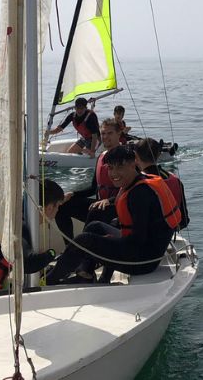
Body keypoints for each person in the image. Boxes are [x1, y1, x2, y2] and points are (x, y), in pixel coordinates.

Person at [46, 145, 182, 285]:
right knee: (95, 226)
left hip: (143, 262)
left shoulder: (140, 194)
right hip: (142, 250)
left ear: (133, 163)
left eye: (120, 167)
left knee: (84, 240)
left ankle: (47, 281)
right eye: (110, 168)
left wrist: (104, 244)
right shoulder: (137, 181)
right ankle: (86, 274)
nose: (114, 173)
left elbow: (137, 240)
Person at [55, 118, 126, 242]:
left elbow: (133, 188)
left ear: (119, 134)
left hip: (118, 208)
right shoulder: (101, 157)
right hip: (100, 206)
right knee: (62, 205)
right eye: (103, 133)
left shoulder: (127, 157)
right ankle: (71, 246)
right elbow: (93, 188)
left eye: (110, 133)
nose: (105, 137)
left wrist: (109, 200)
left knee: (95, 211)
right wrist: (72, 194)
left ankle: (81, 250)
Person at [134, 138, 190, 231]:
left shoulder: (137, 183)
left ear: (136, 157)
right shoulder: (176, 180)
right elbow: (184, 220)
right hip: (170, 231)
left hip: (146, 236)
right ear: (159, 155)